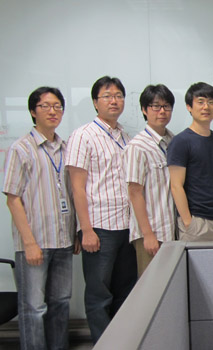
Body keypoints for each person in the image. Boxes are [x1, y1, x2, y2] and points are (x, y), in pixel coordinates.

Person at [3, 87, 76, 349]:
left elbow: (72, 192)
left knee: (60, 303)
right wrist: (29, 242)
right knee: (33, 308)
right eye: (45, 106)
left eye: (57, 106)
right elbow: (13, 199)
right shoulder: (20, 149)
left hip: (63, 240)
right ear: (33, 112)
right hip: (35, 242)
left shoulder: (67, 147)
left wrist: (76, 232)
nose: (53, 111)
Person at [66, 76, 136, 343]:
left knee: (124, 291)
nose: (114, 100)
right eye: (107, 96)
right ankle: (104, 344)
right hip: (99, 229)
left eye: (118, 95)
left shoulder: (125, 136)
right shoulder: (83, 135)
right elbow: (77, 188)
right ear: (96, 102)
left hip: (126, 227)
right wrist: (86, 230)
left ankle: (121, 342)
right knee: (98, 295)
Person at [168, 82, 213, 241]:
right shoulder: (180, 141)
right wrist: (188, 222)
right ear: (189, 107)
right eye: (201, 101)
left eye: (211, 103)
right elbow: (176, 185)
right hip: (197, 221)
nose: (206, 107)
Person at [125, 84, 176, 278]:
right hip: (152, 232)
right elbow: (134, 192)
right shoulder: (137, 146)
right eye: (156, 106)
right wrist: (147, 234)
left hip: (173, 232)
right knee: (151, 287)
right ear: (145, 110)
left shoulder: (174, 141)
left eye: (166, 106)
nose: (162, 111)